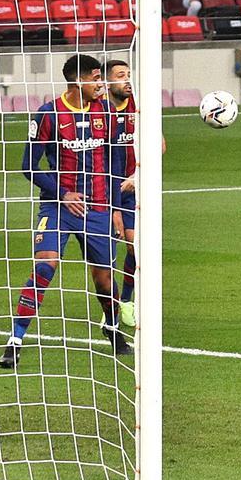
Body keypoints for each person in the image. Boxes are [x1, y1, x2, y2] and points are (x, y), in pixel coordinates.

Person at [1, 54, 130, 368]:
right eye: (96, 78)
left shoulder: (107, 112)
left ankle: (112, 327)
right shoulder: (48, 114)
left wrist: (113, 207)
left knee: (103, 281)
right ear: (79, 81)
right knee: (45, 265)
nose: (101, 84)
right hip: (58, 206)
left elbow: (114, 161)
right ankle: (15, 339)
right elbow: (28, 167)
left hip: (99, 208)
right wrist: (62, 193)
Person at [105, 59, 138, 329]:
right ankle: (110, 305)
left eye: (128, 74)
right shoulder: (97, 111)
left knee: (135, 248)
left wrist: (137, 177)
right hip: (101, 192)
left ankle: (125, 302)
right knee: (105, 255)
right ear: (107, 82)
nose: (127, 80)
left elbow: (158, 144)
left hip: (131, 191)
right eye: (120, 75)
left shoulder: (138, 107)